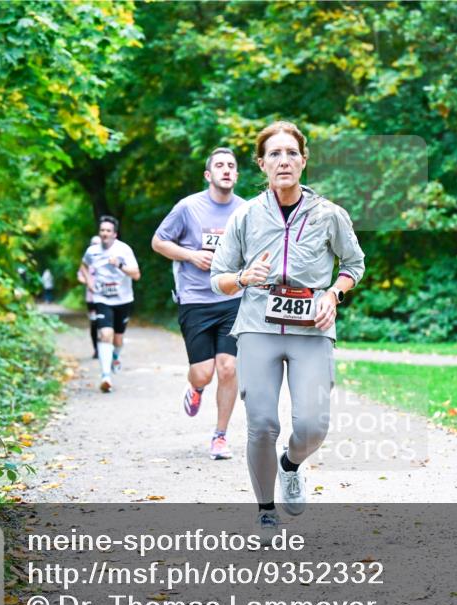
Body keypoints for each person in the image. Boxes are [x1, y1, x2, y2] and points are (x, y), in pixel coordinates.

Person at [210, 121, 364, 531]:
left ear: (304, 160)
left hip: (312, 327)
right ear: (261, 164)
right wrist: (244, 278)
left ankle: (291, 464)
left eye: (291, 153)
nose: (283, 161)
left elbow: (354, 264)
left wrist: (333, 295)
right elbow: (219, 277)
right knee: (262, 424)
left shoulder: (329, 215)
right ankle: (265, 510)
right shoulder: (245, 215)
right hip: (258, 325)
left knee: (313, 426)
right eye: (274, 154)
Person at [152, 148, 245, 460]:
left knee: (228, 368)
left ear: (237, 174)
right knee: (204, 373)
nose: (226, 170)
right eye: (219, 165)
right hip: (195, 299)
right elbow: (158, 242)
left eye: (231, 166)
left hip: (232, 298)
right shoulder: (188, 207)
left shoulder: (246, 211)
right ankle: (196, 388)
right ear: (208, 175)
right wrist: (191, 255)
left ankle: (220, 436)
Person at [80, 216, 140, 393]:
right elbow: (83, 266)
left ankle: (115, 356)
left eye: (108, 231)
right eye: (102, 230)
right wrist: (89, 282)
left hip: (123, 299)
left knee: (118, 339)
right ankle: (106, 376)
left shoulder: (124, 250)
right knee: (105, 334)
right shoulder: (92, 251)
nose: (105, 233)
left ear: (114, 234)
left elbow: (136, 274)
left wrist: (119, 264)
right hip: (102, 298)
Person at [76, 235, 101, 358]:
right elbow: (80, 276)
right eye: (93, 243)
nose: (95, 246)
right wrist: (87, 282)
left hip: (107, 298)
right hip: (91, 298)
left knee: (106, 324)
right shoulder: (86, 262)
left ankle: (107, 347)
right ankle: (96, 349)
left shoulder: (107, 258)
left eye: (98, 243)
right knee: (94, 323)